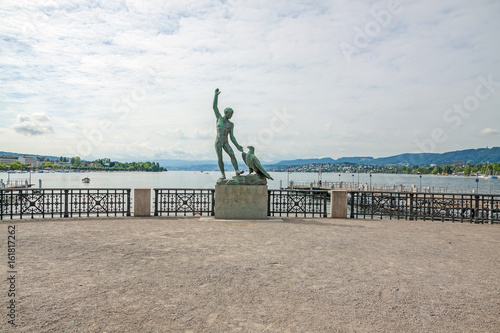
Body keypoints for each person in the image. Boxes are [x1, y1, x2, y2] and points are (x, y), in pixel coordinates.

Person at [213, 88, 244, 179]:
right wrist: (216, 95)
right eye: (230, 114)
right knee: (220, 158)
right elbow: (214, 107)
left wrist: (238, 146)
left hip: (226, 142)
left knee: (232, 154)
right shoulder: (219, 119)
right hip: (218, 141)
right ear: (226, 113)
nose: (231, 116)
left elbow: (232, 137)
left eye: (232, 114)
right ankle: (223, 174)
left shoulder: (231, 124)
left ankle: (237, 171)